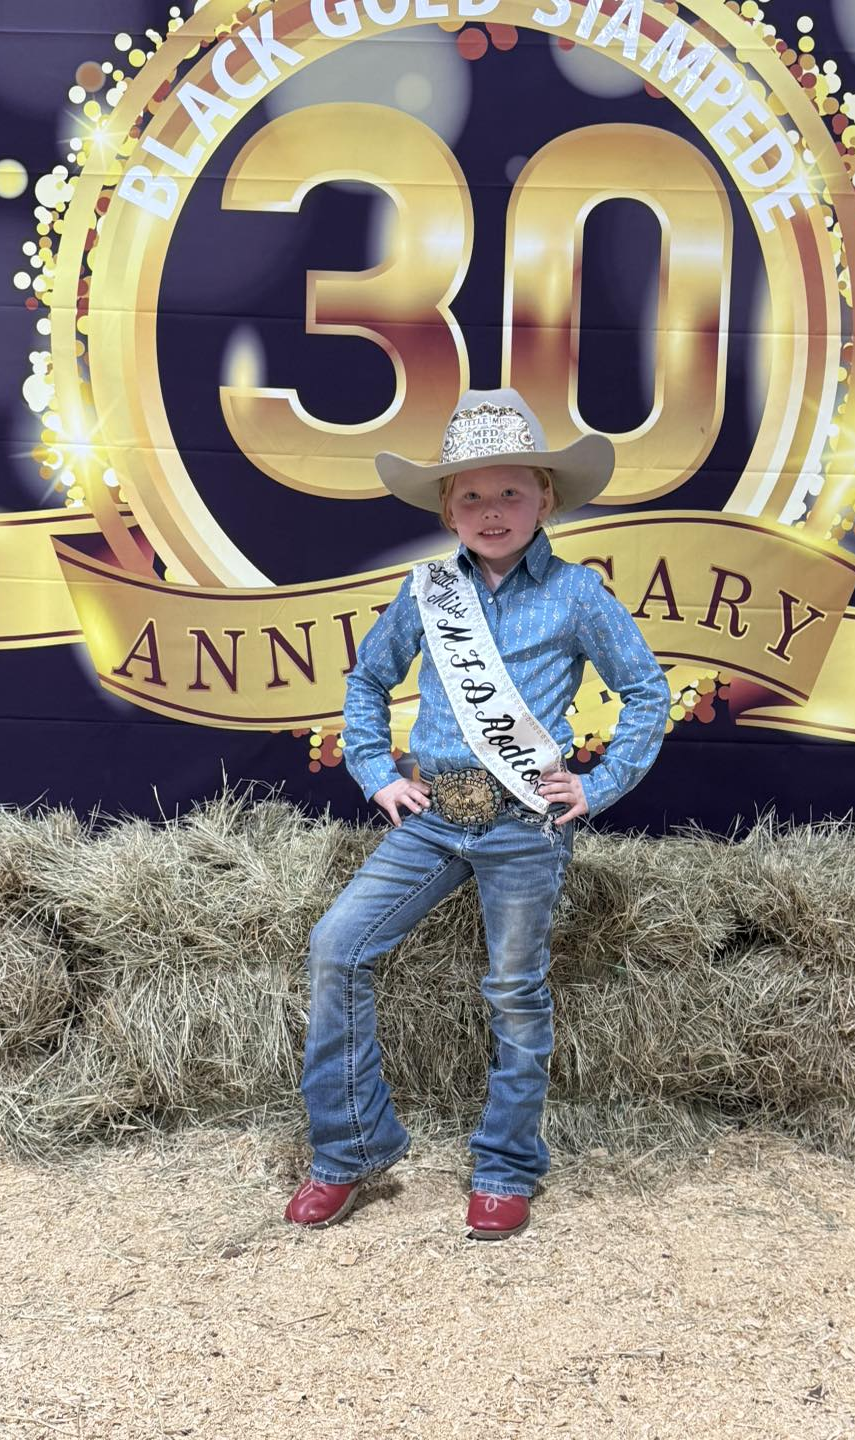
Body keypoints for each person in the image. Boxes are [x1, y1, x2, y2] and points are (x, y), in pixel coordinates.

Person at [284, 388, 671, 1241]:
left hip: (525, 824)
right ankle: (350, 1149)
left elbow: (648, 691)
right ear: (446, 508)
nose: (490, 511)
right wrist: (375, 769)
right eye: (470, 496)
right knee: (337, 947)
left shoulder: (576, 595)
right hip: (432, 817)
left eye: (510, 493)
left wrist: (597, 789)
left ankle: (504, 1165)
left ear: (547, 500)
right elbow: (366, 681)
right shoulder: (426, 592)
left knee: (514, 991)